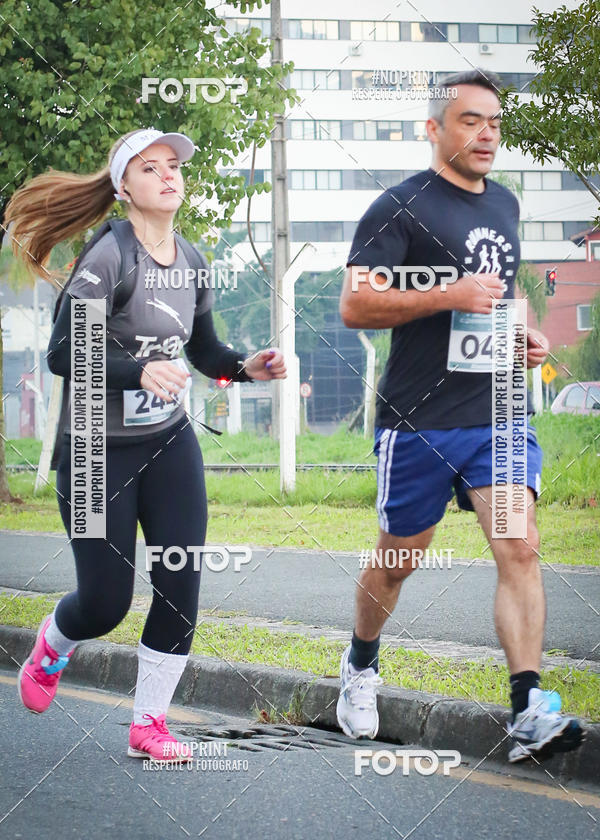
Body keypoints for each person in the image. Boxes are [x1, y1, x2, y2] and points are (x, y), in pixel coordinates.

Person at [6, 127, 286, 761]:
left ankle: (148, 725)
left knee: (180, 582)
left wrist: (246, 367)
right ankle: (53, 643)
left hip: (166, 442)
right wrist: (139, 371)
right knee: (106, 603)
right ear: (124, 187)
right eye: (151, 167)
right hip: (92, 454)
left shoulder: (192, 259)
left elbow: (205, 351)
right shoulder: (108, 258)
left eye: (174, 166)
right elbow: (60, 352)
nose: (168, 175)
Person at [336, 70, 584, 763]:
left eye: (495, 123)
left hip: (496, 411)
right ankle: (360, 665)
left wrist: (526, 336)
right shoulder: (398, 207)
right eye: (471, 121)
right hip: (419, 419)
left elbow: (500, 296)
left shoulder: (505, 203)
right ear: (434, 129)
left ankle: (527, 709)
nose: (486, 134)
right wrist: (447, 294)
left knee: (520, 545)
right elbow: (357, 303)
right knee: (397, 563)